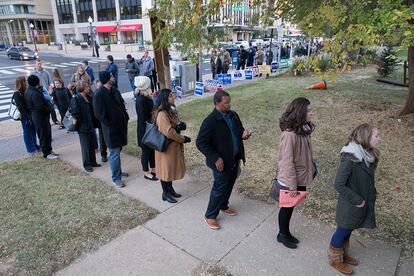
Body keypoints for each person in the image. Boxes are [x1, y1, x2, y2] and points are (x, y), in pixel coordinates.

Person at [327, 123, 380, 275]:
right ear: (366, 137)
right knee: (343, 229)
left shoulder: (366, 154)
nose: (379, 139)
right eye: (376, 136)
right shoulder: (351, 156)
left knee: (348, 228)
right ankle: (335, 260)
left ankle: (342, 255)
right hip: (351, 205)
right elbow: (338, 184)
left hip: (358, 204)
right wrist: (358, 200)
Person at [196, 90, 252, 230]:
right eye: (226, 103)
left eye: (229, 102)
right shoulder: (210, 121)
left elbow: (238, 130)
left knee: (230, 183)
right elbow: (201, 142)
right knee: (219, 187)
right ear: (217, 103)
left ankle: (223, 205)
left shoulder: (233, 115)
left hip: (234, 158)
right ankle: (210, 215)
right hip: (220, 162)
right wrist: (215, 158)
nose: (229, 105)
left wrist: (243, 134)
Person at [276, 97, 315, 249]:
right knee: (286, 208)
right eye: (308, 111)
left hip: (299, 177)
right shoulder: (289, 135)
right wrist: (292, 186)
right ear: (300, 113)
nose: (311, 113)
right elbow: (287, 162)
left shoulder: (303, 129)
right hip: (290, 181)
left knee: (290, 207)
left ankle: (285, 232)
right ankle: (282, 234)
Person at [154, 88, 191, 203]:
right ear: (165, 99)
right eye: (171, 96)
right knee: (165, 171)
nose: (173, 97)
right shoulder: (161, 114)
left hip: (171, 147)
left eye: (173, 95)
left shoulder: (169, 110)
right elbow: (168, 132)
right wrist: (182, 139)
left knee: (169, 170)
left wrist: (180, 125)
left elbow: (174, 124)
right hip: (165, 147)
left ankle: (170, 190)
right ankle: (165, 193)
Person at [93, 71, 129, 188]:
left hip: (120, 126)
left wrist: (125, 116)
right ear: (108, 79)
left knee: (118, 151)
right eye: (111, 76)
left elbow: (121, 104)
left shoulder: (114, 90)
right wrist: (110, 123)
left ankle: (118, 171)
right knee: (114, 153)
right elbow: (99, 114)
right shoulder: (99, 94)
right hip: (110, 129)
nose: (113, 77)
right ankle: (116, 178)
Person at [25, 75, 58, 160]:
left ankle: (49, 151)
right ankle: (46, 153)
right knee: (44, 135)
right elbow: (40, 107)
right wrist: (49, 109)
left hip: (36, 115)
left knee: (45, 134)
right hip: (40, 116)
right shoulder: (35, 93)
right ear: (37, 82)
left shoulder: (28, 91)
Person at [70, 80, 101, 172]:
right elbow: (75, 114)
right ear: (82, 88)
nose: (89, 88)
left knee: (92, 144)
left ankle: (93, 161)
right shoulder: (76, 99)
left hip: (90, 125)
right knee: (85, 146)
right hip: (83, 127)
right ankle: (87, 164)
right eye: (87, 87)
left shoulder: (88, 97)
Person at [134, 76, 157, 180]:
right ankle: (146, 172)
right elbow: (143, 117)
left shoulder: (145, 97)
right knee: (146, 151)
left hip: (149, 127)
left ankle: (153, 169)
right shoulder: (141, 99)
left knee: (151, 150)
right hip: (144, 129)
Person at [13, 76, 40, 153]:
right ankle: (31, 149)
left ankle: (35, 145)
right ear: (22, 83)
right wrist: (27, 117)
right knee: (27, 132)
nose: (27, 82)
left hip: (31, 113)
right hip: (25, 116)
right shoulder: (17, 94)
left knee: (33, 131)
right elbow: (21, 107)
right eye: (25, 81)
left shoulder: (26, 90)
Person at [31, 59, 58, 125]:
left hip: (47, 93)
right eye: (38, 64)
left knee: (51, 107)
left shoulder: (46, 72)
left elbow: (50, 82)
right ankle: (46, 121)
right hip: (38, 94)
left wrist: (50, 88)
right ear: (35, 65)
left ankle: (55, 120)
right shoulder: (32, 74)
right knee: (44, 108)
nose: (40, 65)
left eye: (40, 64)